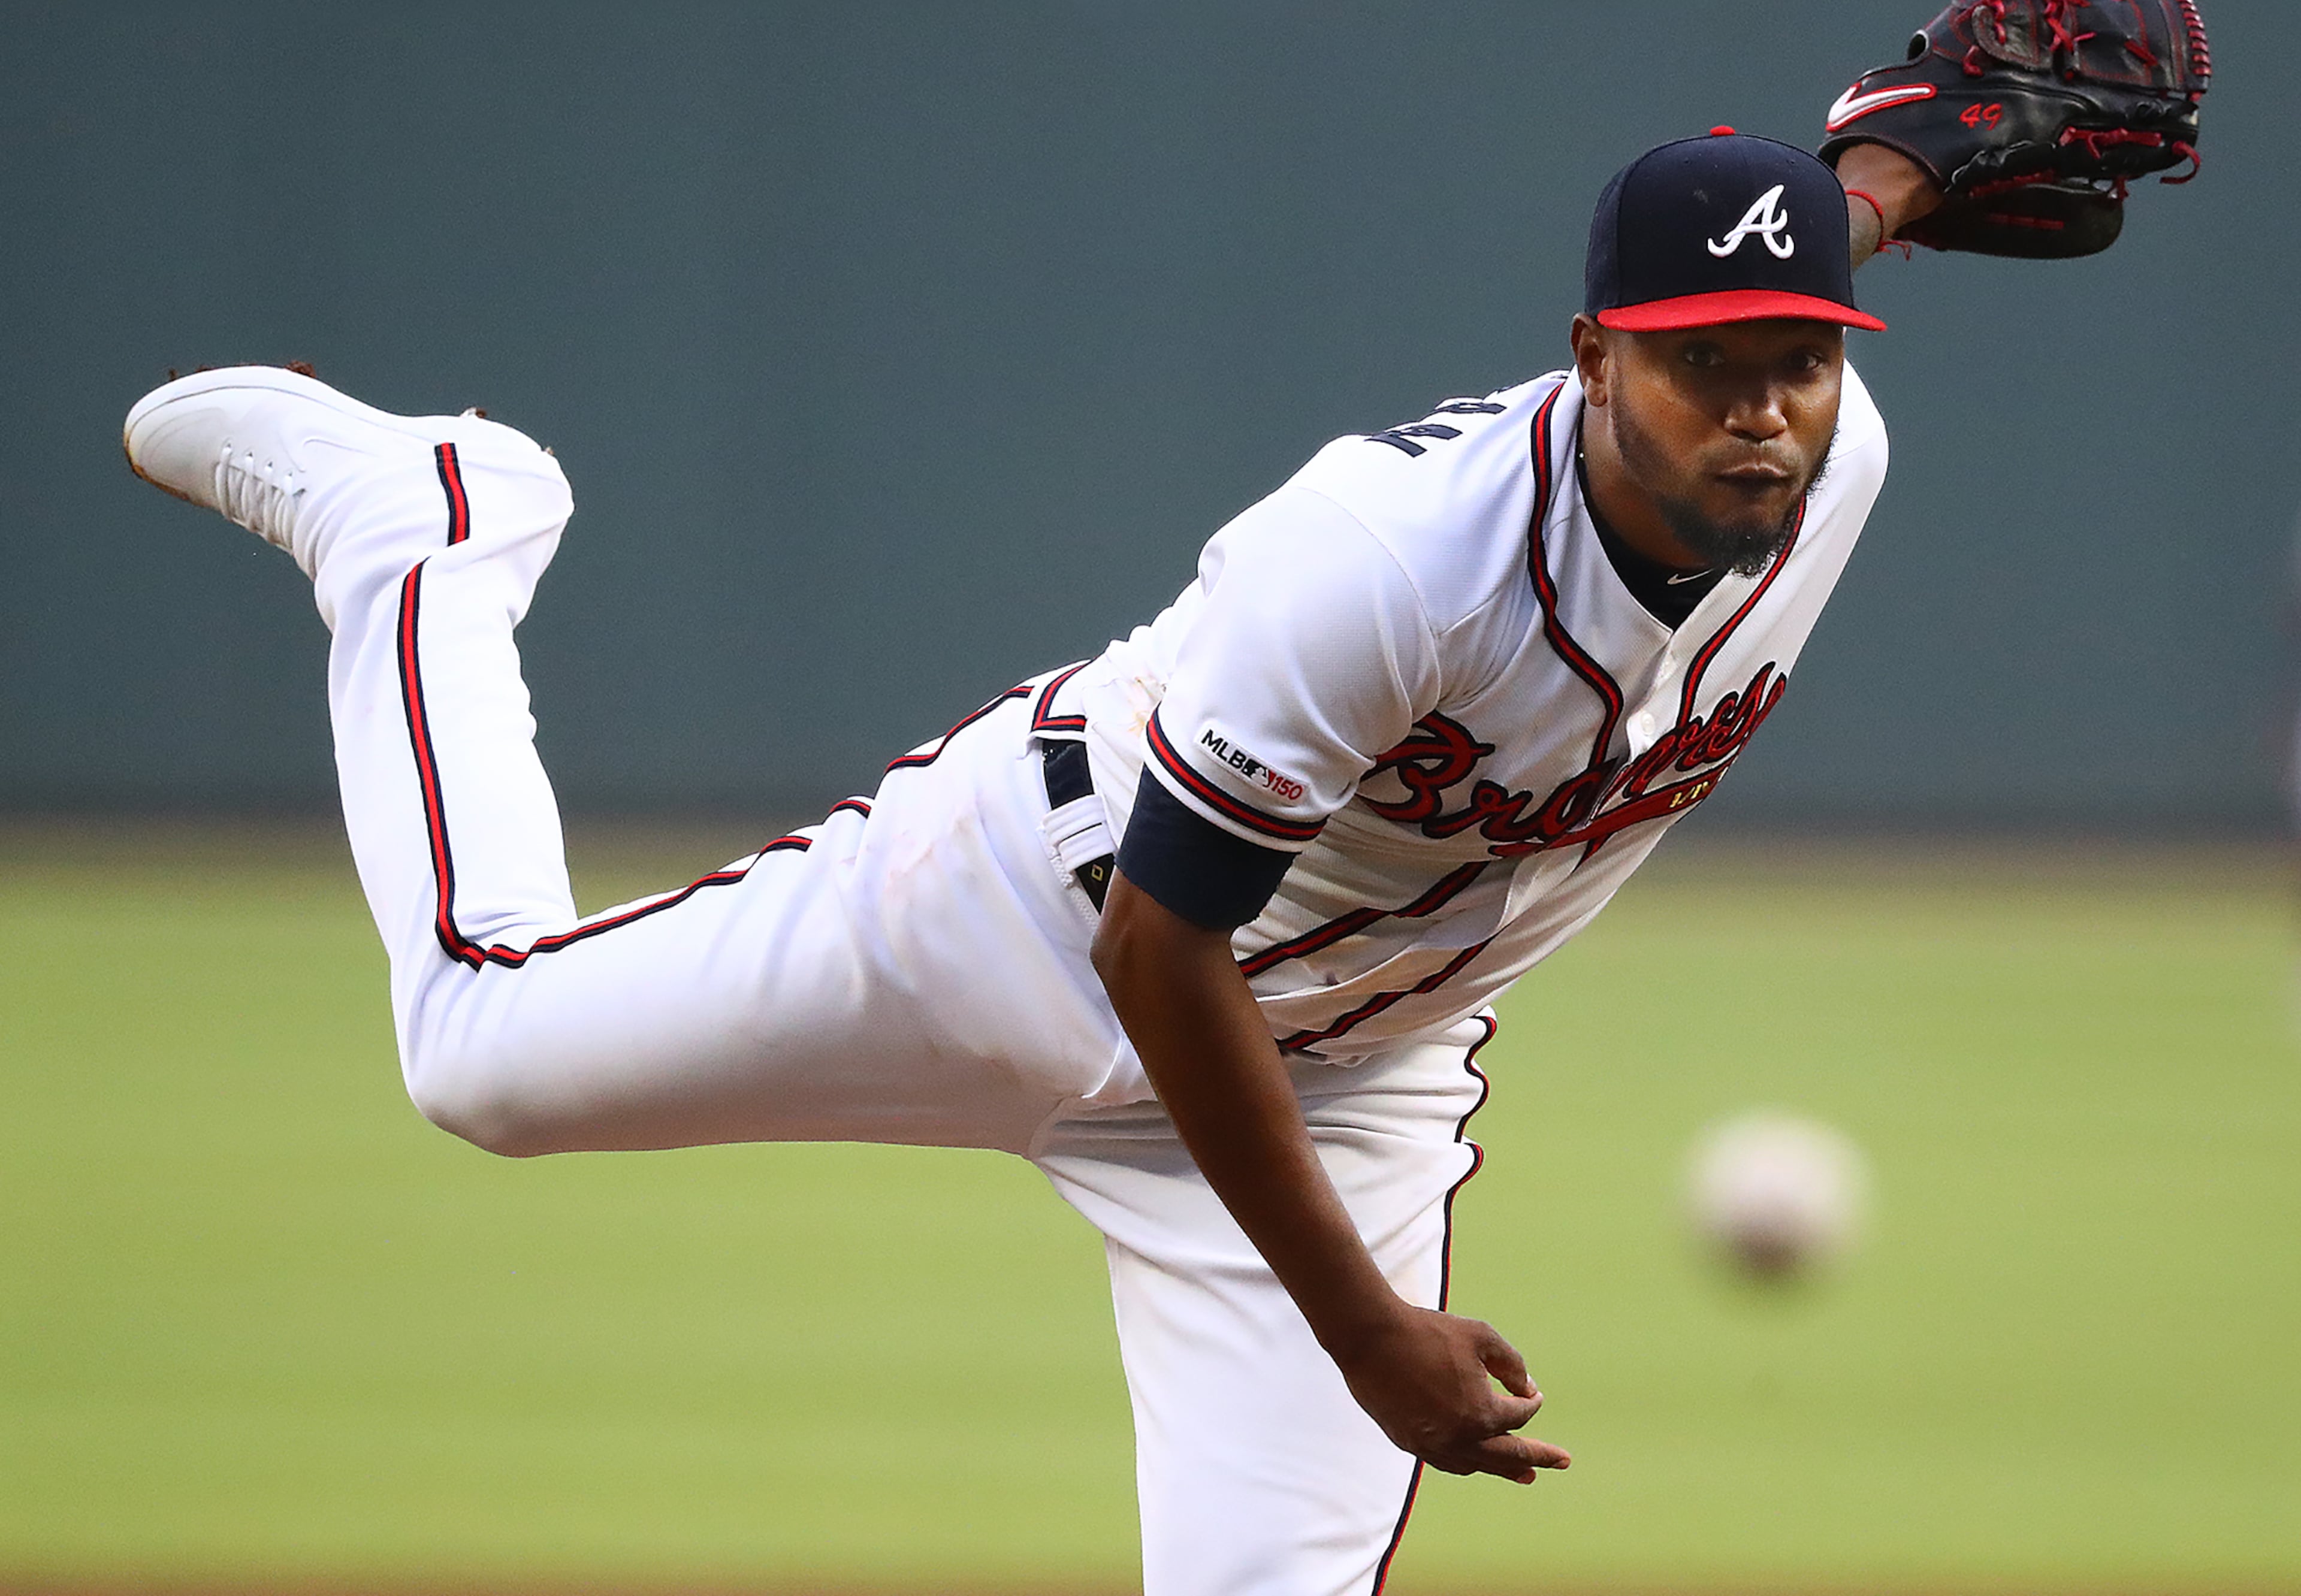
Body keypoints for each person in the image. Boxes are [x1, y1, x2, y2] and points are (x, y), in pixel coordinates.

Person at [123, 128, 1938, 1594]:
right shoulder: (1389, 560)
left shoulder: (1826, 461)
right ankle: (427, 529)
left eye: (1795, 363)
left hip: (1353, 1076)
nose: (1766, 407)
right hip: (1036, 914)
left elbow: (1805, 252)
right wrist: (1367, 1327)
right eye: (1709, 364)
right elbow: (1164, 952)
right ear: (1595, 359)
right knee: (480, 1060)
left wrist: (1903, 161)